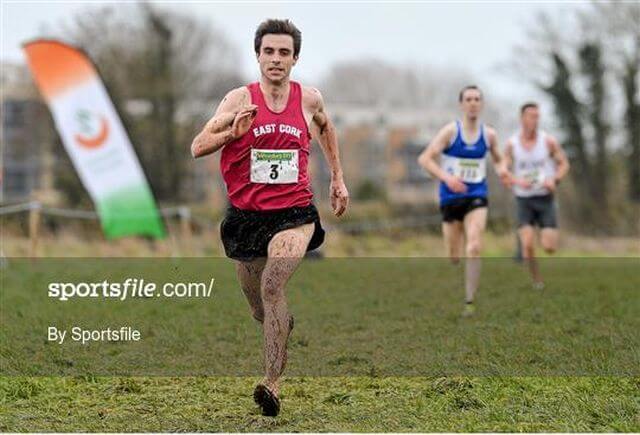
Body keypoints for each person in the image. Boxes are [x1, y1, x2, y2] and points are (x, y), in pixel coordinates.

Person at [190, 19, 349, 416]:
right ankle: (280, 325)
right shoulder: (236, 101)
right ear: (258, 56)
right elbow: (197, 146)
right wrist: (231, 133)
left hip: (294, 213)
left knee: (273, 285)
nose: (275, 59)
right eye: (268, 52)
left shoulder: (309, 100)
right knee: (260, 310)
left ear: (295, 58)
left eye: (283, 52)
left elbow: (327, 129)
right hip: (246, 217)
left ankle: (272, 385)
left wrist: (337, 180)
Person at [418, 85, 509, 317]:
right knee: (454, 255)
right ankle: (457, 267)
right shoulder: (451, 132)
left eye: (477, 99)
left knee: (475, 245)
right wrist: (447, 178)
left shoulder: (489, 135)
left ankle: (469, 300)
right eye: (468, 99)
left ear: (482, 104)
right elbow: (425, 159)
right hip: (450, 197)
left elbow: (499, 160)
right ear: (461, 104)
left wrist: (504, 172)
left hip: (477, 194)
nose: (473, 103)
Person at [504, 102, 569, 289]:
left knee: (549, 247)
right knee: (527, 246)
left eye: (537, 116)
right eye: (531, 115)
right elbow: (504, 169)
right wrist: (515, 181)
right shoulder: (512, 144)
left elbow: (564, 164)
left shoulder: (548, 141)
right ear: (522, 118)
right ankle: (537, 280)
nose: (535, 119)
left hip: (544, 198)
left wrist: (554, 180)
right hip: (523, 199)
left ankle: (540, 238)